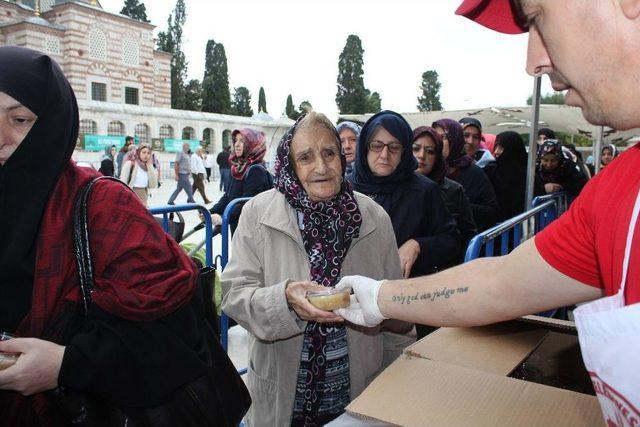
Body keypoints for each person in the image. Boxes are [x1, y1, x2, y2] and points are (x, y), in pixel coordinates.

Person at [333, 0, 640, 422]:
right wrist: (376, 297)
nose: (533, 63)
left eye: (535, 19)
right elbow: (499, 282)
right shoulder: (618, 189)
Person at [0, 46, 213, 424]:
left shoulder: (105, 207)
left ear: (52, 122)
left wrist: (67, 364)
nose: (0, 136)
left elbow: (177, 339)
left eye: (19, 119)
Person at [221, 112, 404, 426]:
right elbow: (234, 296)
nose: (321, 167)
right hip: (284, 400)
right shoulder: (257, 214)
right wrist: (285, 300)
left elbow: (395, 313)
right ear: (291, 164)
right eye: (305, 157)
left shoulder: (374, 217)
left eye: (329, 153)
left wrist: (396, 389)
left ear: (343, 157)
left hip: (358, 396)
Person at [350, 111, 460, 278]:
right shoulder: (344, 189)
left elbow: (451, 240)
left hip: (403, 291)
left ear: (404, 151)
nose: (384, 155)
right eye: (377, 146)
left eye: (394, 147)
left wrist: (417, 245)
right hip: (350, 290)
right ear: (365, 148)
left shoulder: (424, 191)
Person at [412, 125, 476, 253]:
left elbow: (467, 236)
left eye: (430, 151)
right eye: (415, 149)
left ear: (437, 157)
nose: (421, 156)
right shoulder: (397, 186)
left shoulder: (454, 190)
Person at [433, 118, 500, 232]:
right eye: (435, 137)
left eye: (443, 137)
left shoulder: (475, 173)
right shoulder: (427, 170)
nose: (437, 142)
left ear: (455, 139)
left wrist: (460, 205)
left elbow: (492, 212)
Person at [209, 128, 273, 233]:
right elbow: (228, 196)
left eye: (242, 141)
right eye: (236, 140)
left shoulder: (256, 170)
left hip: (251, 231)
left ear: (253, 144)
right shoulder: (237, 168)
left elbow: (247, 203)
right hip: (237, 226)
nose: (237, 144)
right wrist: (210, 211)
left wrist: (224, 218)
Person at [493, 131, 528, 220]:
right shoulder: (492, 171)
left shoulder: (529, 176)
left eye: (501, 148)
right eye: (496, 146)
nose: (496, 152)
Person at [119, 142, 158, 206]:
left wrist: (150, 166)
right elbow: (122, 183)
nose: (146, 155)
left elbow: (153, 185)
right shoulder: (130, 164)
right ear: (139, 152)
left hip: (144, 195)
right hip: (131, 194)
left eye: (148, 153)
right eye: (144, 152)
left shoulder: (149, 166)